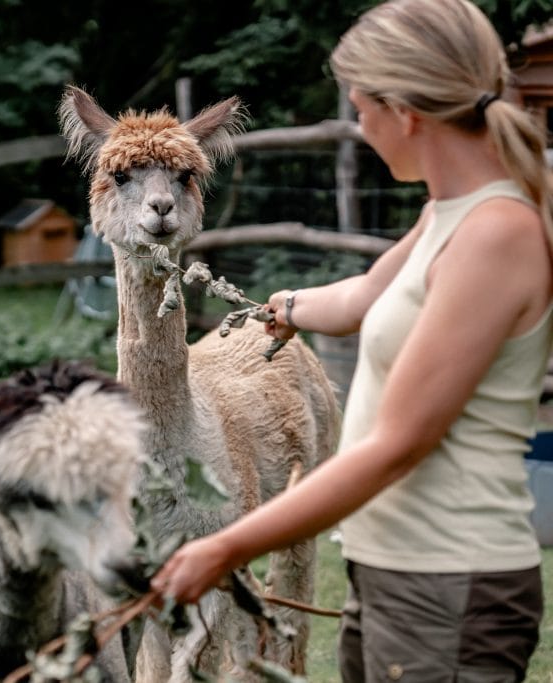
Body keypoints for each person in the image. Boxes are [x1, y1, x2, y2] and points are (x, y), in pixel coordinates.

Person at [150, 0, 550, 680]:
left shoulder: (497, 233)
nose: (361, 128)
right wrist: (291, 305)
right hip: (396, 572)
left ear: (405, 111)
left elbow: (400, 443)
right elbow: (367, 296)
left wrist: (224, 548)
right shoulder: (448, 213)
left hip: (447, 582)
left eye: (362, 108)